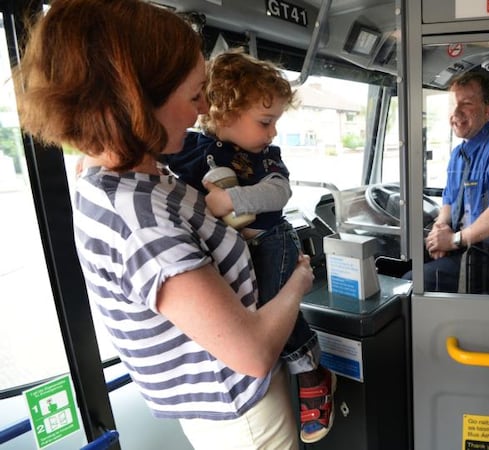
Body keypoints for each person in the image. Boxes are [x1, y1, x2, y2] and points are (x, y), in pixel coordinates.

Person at [15, 1, 313, 449]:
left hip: (226, 404)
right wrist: (298, 282)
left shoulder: (136, 175)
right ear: (137, 100)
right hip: (241, 414)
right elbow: (250, 353)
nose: (204, 111)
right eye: (195, 96)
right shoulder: (141, 219)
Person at [164, 48, 335, 444]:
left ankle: (311, 372)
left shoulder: (265, 159)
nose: (272, 132)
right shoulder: (188, 147)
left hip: (272, 242)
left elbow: (279, 191)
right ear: (222, 114)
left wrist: (233, 201)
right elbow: (144, 148)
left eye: (274, 122)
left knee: (277, 308)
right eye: (265, 122)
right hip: (229, 253)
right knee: (251, 313)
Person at [405, 72, 489, 293]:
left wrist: (453, 239)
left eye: (466, 103)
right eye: (453, 105)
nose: (455, 113)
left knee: (411, 284)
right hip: (466, 248)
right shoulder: (458, 153)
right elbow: (449, 202)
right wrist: (438, 233)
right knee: (401, 264)